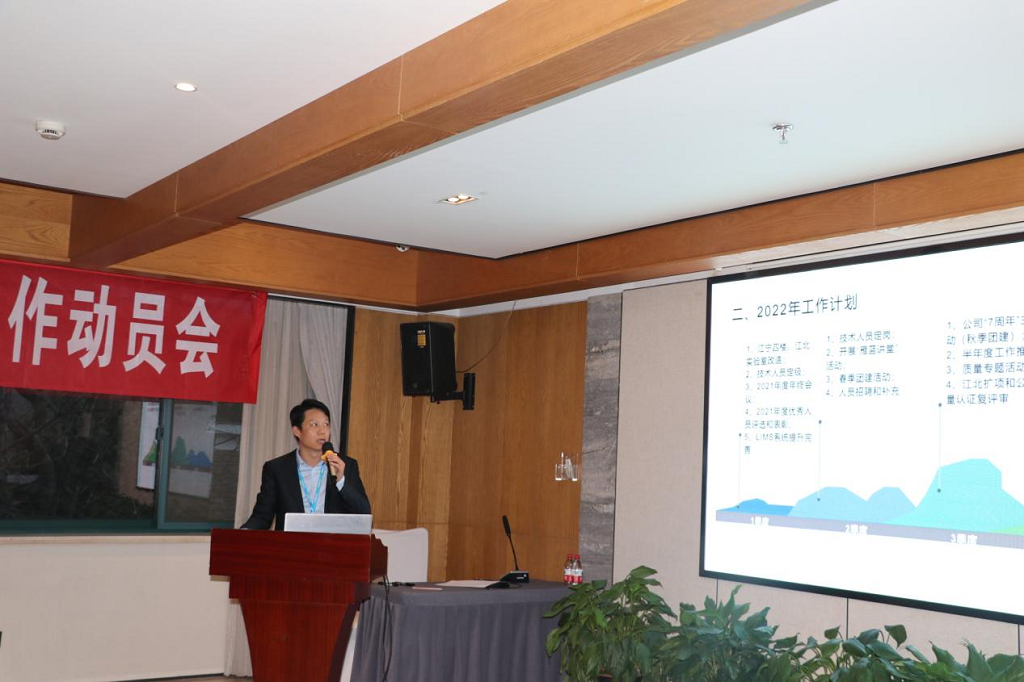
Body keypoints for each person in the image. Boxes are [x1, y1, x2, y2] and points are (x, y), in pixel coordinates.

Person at [241, 398, 370, 530]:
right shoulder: (277, 469)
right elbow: (262, 516)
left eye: (326, 424)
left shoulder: (345, 465)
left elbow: (364, 512)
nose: (322, 431)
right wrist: (241, 534)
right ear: (297, 431)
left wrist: (341, 481)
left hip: (332, 542)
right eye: (314, 425)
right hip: (292, 542)